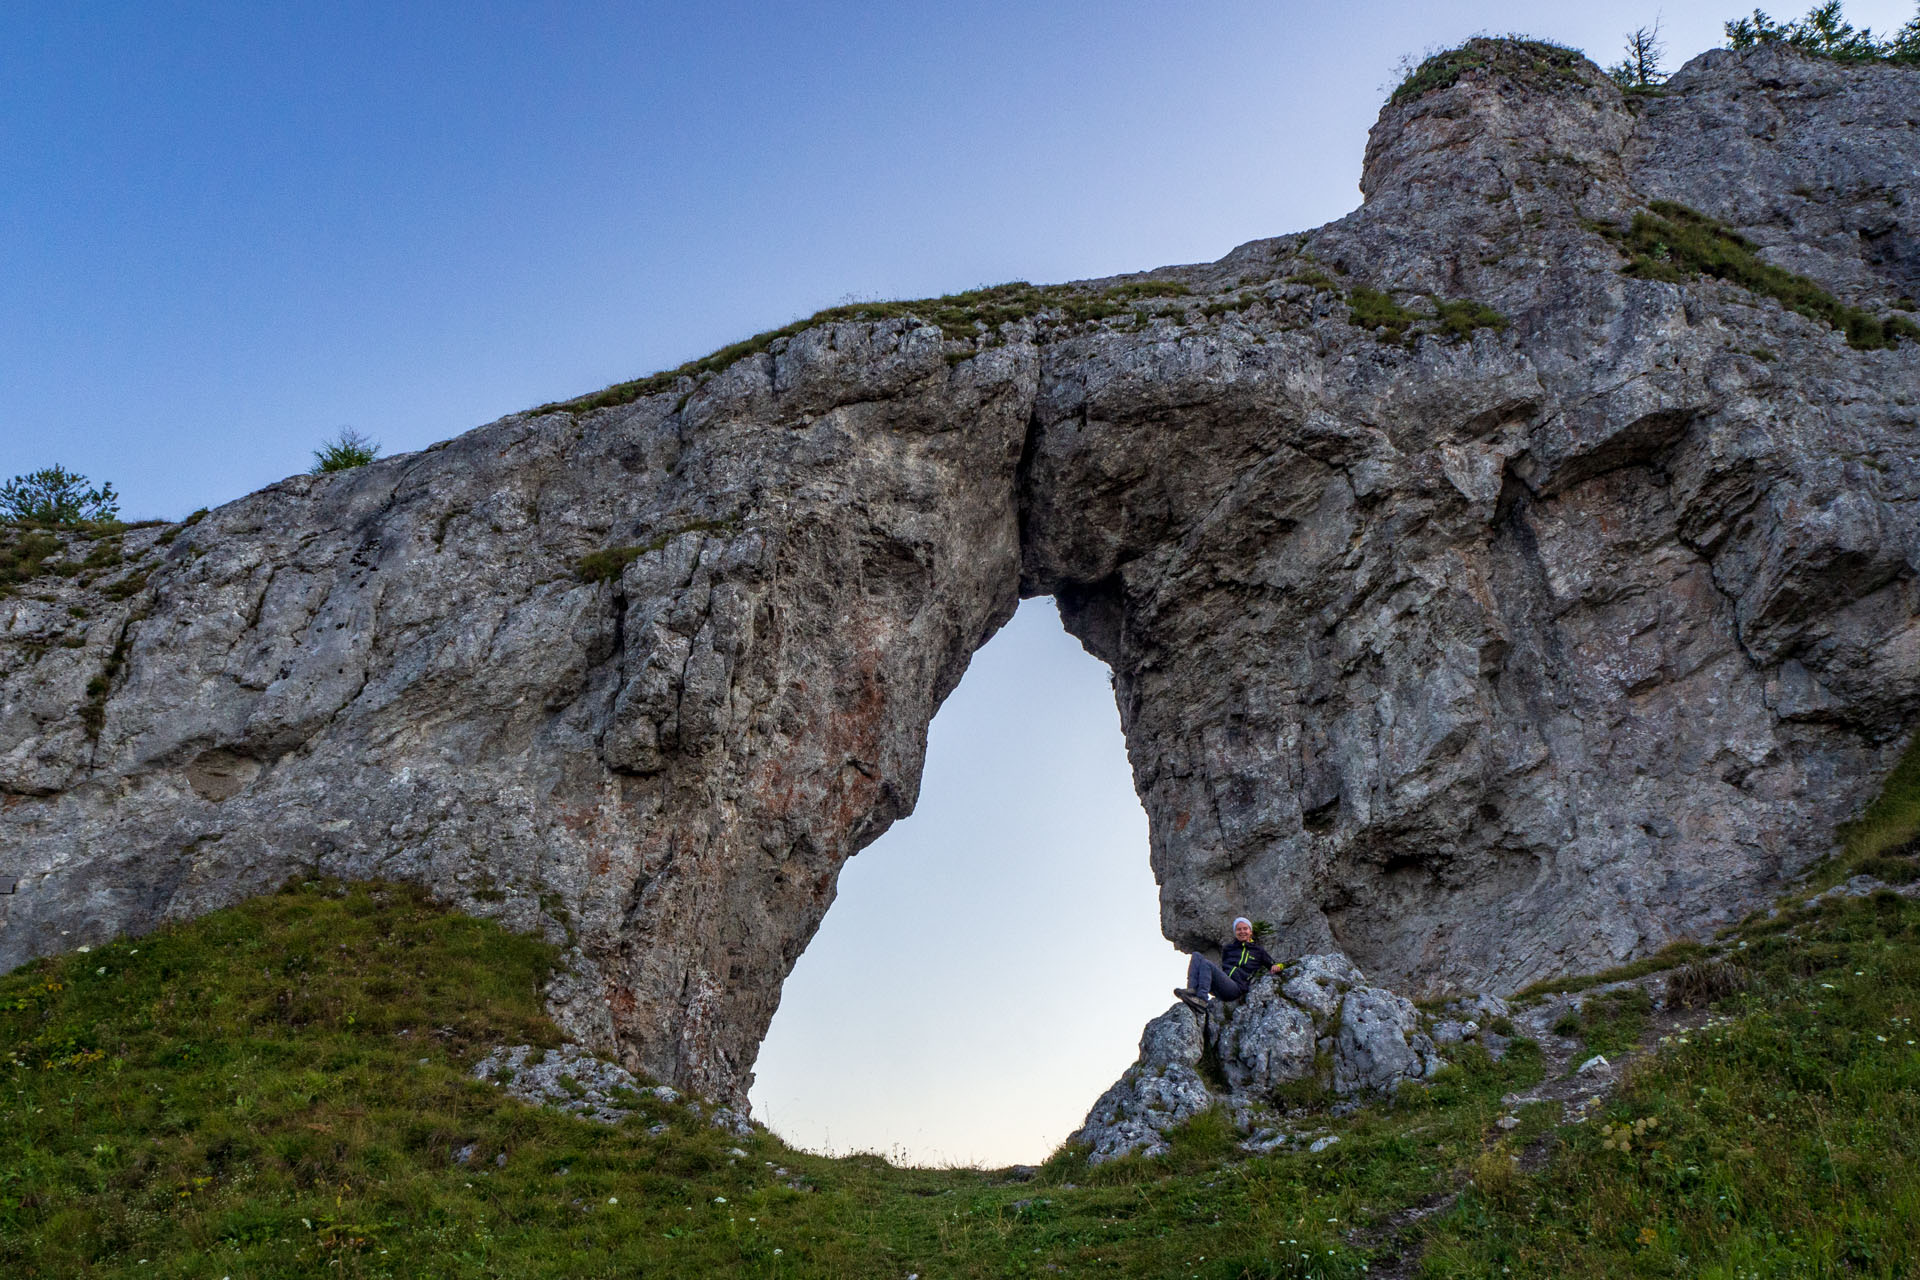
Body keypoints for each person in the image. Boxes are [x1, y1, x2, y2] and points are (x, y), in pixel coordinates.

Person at [1173, 917, 1282, 1013]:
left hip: (1235, 988)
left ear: (1250, 931)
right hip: (1222, 984)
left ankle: (1201, 1000)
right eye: (1239, 929)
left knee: (1207, 964)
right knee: (1196, 955)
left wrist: (1277, 967)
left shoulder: (1258, 951)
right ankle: (1192, 990)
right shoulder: (1229, 949)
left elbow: (1274, 964)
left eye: (1245, 929)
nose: (1242, 931)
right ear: (1235, 932)